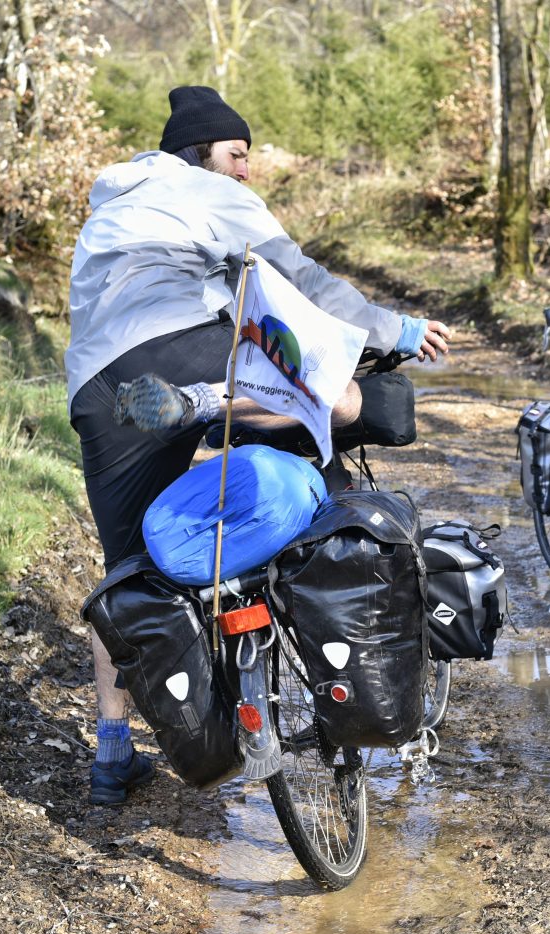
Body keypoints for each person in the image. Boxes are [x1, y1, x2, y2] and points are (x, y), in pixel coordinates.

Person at [66, 86, 451, 805]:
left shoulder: (111, 209)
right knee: (325, 405)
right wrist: (393, 331)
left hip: (97, 390)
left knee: (121, 576)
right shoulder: (206, 191)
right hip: (184, 346)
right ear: (200, 152)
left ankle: (111, 757)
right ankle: (349, 619)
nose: (246, 170)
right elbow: (299, 282)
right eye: (237, 154)